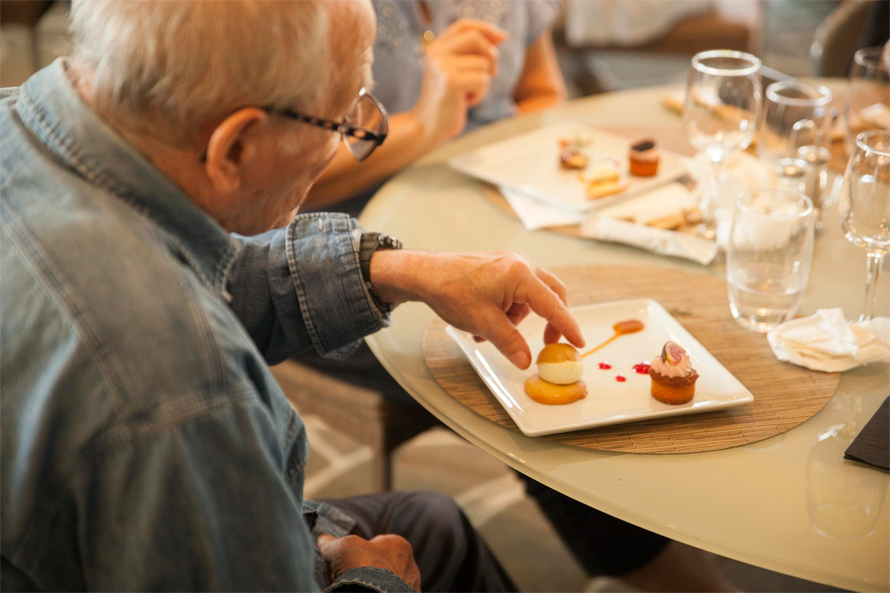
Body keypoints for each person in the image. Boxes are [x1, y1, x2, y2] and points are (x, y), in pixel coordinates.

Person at [0, 1, 588, 591]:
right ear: (235, 149)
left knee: (435, 522)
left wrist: (398, 270)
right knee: (425, 543)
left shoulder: (29, 127)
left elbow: (193, 267)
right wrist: (373, 582)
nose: (346, 141)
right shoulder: (183, 393)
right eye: (342, 124)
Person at [293, 2, 739, 591]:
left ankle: (667, 531)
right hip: (347, 262)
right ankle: (676, 577)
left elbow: (541, 89)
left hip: (497, 219)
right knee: (534, 385)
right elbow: (278, 184)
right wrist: (427, 123)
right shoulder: (321, 14)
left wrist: (513, 167)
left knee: (625, 315)